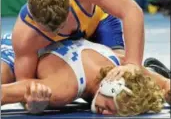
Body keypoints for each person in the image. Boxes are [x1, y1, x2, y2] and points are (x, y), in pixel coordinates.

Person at [12, 0, 144, 81]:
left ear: (68, 3)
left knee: (122, 76)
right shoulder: (24, 37)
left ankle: (156, 75)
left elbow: (131, 10)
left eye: (60, 25)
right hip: (61, 47)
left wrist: (133, 63)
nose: (56, 32)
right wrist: (35, 100)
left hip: (99, 25)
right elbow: (25, 86)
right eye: (49, 29)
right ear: (34, 19)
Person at [1, 34, 170, 116]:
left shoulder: (129, 71)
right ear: (111, 87)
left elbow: (166, 85)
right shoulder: (64, 87)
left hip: (65, 39)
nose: (106, 115)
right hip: (19, 46)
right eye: (111, 109)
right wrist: (33, 102)